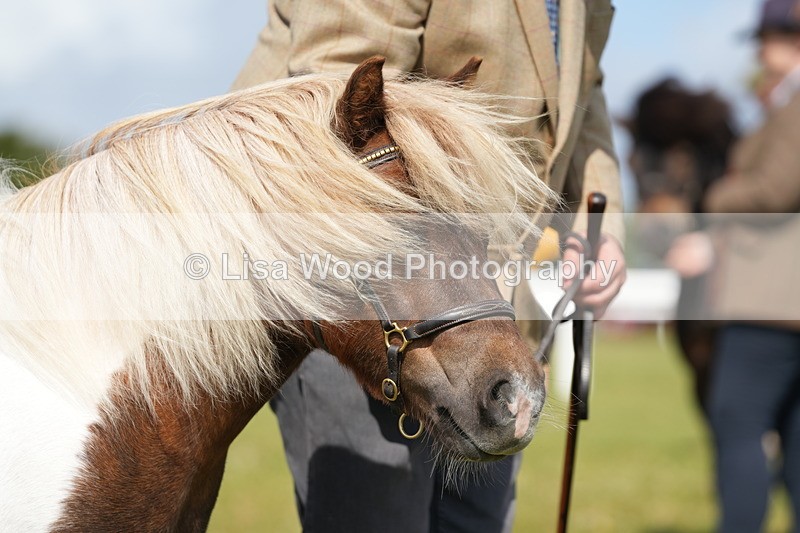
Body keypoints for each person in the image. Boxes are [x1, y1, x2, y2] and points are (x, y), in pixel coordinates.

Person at [233, 1, 626, 531]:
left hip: (485, 305)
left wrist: (600, 215)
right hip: (370, 304)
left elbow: (583, 87)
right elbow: (341, 89)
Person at [688, 1, 800, 531]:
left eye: (777, 34)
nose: (762, 46)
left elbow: (777, 189)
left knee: (737, 424)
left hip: (772, 303)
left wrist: (714, 195)